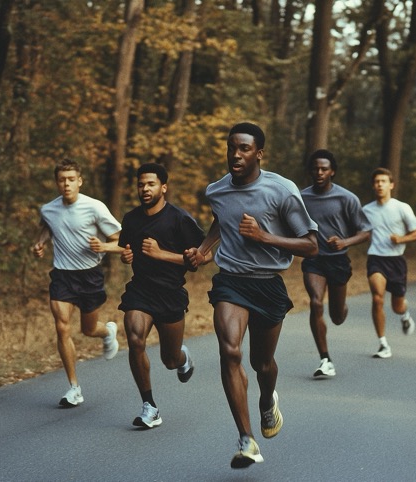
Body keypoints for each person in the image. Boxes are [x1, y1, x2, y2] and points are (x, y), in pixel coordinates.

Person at [184, 123, 318, 469]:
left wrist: (263, 237)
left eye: (244, 149)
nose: (236, 155)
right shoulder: (217, 190)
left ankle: (267, 399)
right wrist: (202, 249)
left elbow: (311, 245)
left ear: (259, 153)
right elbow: (220, 220)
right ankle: (246, 440)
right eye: (232, 148)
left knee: (262, 364)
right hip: (231, 280)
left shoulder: (282, 191)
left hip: (269, 284)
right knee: (230, 352)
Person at [118, 163, 206, 429]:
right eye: (141, 184)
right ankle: (150, 406)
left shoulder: (179, 219)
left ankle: (182, 357)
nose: (145, 189)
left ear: (163, 187)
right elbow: (126, 249)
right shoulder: (131, 219)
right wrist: (126, 255)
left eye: (151, 184)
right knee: (135, 339)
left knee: (169, 360)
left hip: (170, 294)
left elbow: (203, 258)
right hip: (141, 290)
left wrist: (162, 254)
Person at [32, 158, 122, 407]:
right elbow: (46, 228)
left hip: (90, 275)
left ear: (80, 182)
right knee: (62, 327)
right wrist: (39, 243)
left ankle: (108, 331)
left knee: (88, 329)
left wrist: (103, 246)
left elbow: (122, 240)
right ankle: (74, 387)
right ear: (56, 183)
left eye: (71, 179)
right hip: (62, 275)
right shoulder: (48, 209)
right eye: (62, 180)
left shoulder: (95, 208)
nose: (66, 184)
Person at [300, 149, 371, 378]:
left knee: (337, 316)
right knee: (315, 302)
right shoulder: (301, 198)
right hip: (314, 260)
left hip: (338, 260)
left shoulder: (347, 198)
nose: (319, 173)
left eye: (324, 169)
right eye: (315, 168)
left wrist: (344, 242)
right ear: (311, 171)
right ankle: (325, 359)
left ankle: (341, 308)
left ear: (332, 171)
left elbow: (365, 232)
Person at [362, 168, 416, 359]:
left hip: (396, 261)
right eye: (377, 182)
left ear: (391, 185)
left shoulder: (401, 207)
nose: (380, 185)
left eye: (383, 181)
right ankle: (383, 344)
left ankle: (404, 315)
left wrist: (401, 239)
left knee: (397, 305)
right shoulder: (366, 210)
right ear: (373, 185)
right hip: (376, 259)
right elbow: (359, 231)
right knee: (377, 298)